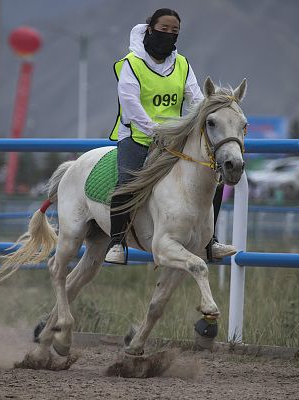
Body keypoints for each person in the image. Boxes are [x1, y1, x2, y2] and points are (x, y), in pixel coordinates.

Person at [105, 8, 236, 264]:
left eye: (174, 31)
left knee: (214, 180)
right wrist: (155, 130)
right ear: (150, 29)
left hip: (174, 138)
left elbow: (196, 99)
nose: (169, 34)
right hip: (137, 136)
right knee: (126, 182)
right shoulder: (131, 64)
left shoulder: (182, 64)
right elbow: (130, 104)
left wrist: (209, 113)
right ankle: (116, 242)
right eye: (163, 29)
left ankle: (210, 241)